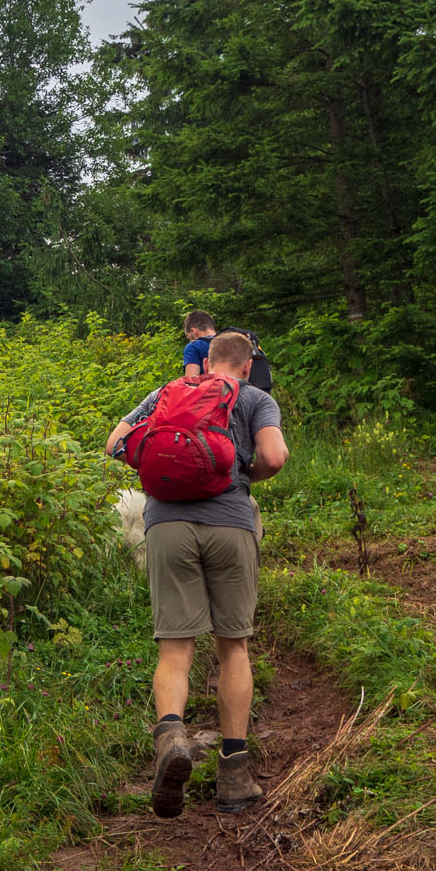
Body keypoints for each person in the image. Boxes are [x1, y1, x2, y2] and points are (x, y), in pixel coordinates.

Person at [104, 331, 288, 816]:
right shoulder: (254, 399)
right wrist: (242, 475)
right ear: (247, 366)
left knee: (175, 647)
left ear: (206, 361)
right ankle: (234, 776)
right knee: (233, 646)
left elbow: (114, 443)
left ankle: (170, 737)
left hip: (166, 525)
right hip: (230, 524)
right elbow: (273, 457)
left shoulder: (166, 393)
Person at [181, 310, 218, 378]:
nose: (190, 340)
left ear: (193, 331)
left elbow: (191, 381)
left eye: (189, 337)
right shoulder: (232, 342)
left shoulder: (193, 347)